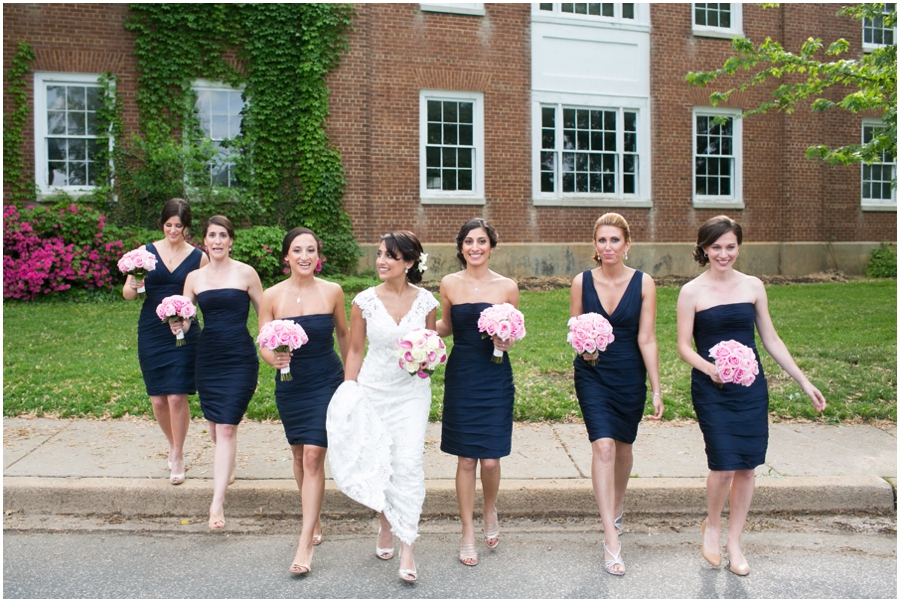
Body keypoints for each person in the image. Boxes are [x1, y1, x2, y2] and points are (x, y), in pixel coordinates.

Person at [676, 215, 826, 576]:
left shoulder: (754, 286)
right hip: (712, 388)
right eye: (716, 247)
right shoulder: (691, 292)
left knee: (746, 467)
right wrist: (710, 368)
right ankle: (712, 526)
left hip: (750, 387)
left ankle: (734, 541)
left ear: (738, 247)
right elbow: (683, 346)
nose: (724, 254)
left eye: (730, 247)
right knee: (724, 464)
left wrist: (803, 381)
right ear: (703, 249)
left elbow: (771, 340)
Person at [326, 231, 439, 583]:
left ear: (408, 262)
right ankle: (385, 524)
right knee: (382, 461)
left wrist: (425, 361)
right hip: (373, 389)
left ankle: (407, 544)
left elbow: (431, 349)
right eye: (379, 254)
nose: (381, 261)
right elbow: (356, 350)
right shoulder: (364, 301)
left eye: (390, 256)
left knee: (407, 462)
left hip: (411, 393)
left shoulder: (426, 303)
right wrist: (348, 388)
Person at [569, 213, 663, 576]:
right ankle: (611, 536)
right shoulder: (582, 282)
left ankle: (617, 507)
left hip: (629, 374)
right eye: (602, 240)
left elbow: (647, 338)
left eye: (615, 240)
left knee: (623, 449)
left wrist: (656, 387)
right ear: (595, 245)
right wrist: (585, 349)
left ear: (627, 244)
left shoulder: (644, 283)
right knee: (603, 446)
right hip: (592, 373)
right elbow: (574, 330)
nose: (608, 247)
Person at [258, 227, 349, 575]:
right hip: (290, 383)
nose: (305, 256)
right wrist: (274, 360)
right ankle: (315, 519)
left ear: (317, 256)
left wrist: (352, 380)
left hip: (326, 379)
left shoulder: (333, 292)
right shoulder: (272, 296)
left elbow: (344, 334)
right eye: (298, 250)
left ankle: (304, 541)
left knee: (313, 457)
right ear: (287, 257)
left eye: (311, 249)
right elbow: (263, 341)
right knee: (299, 455)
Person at [435, 218, 518, 567]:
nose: (475, 248)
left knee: (491, 459)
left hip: (495, 374)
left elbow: (514, 333)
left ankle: (489, 509)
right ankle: (467, 529)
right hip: (463, 374)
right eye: (468, 242)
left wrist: (507, 338)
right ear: (461, 247)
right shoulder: (449, 284)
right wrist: (418, 327)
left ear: (492, 246)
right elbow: (447, 326)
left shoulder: (507, 286)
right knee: (466, 458)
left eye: (481, 241)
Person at [176, 215, 263, 531]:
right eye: (211, 235)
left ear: (231, 240)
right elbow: (185, 321)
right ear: (205, 240)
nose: (216, 241)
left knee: (226, 427)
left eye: (222, 235)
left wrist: (276, 344)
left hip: (239, 355)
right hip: (208, 356)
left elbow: (265, 313)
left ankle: (216, 505)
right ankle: (227, 464)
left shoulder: (246, 273)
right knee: (216, 429)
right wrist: (178, 324)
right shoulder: (195, 278)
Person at [122, 198, 209, 486]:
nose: (174, 230)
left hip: (183, 329)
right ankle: (171, 443)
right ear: (162, 224)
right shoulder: (144, 253)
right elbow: (129, 295)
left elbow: (200, 296)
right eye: (169, 225)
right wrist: (133, 285)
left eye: (179, 226)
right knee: (158, 399)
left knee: (176, 396)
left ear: (187, 227)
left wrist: (187, 319)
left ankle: (178, 452)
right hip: (151, 329)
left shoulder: (199, 257)